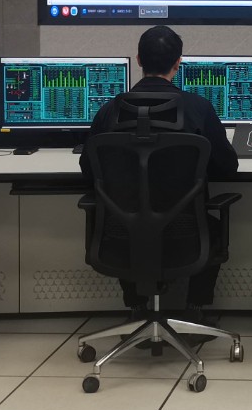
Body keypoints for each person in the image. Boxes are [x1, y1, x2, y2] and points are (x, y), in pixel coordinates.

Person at [82, 25, 239, 320]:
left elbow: (89, 171)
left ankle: (137, 310)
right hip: (187, 238)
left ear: (139, 60)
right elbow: (228, 168)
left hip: (120, 237)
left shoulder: (108, 110)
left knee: (124, 220)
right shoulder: (198, 108)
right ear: (178, 63)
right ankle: (194, 311)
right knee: (212, 226)